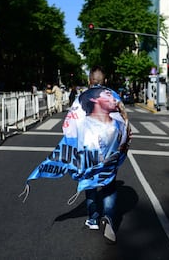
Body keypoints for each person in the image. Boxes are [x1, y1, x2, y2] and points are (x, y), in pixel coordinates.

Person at [21, 66, 130, 244]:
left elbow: (70, 124)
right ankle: (109, 217)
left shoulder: (82, 97)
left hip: (88, 146)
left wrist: (73, 145)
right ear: (105, 81)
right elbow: (125, 125)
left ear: (89, 81)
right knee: (109, 184)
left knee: (88, 179)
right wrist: (122, 148)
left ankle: (93, 218)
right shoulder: (114, 95)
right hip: (111, 148)